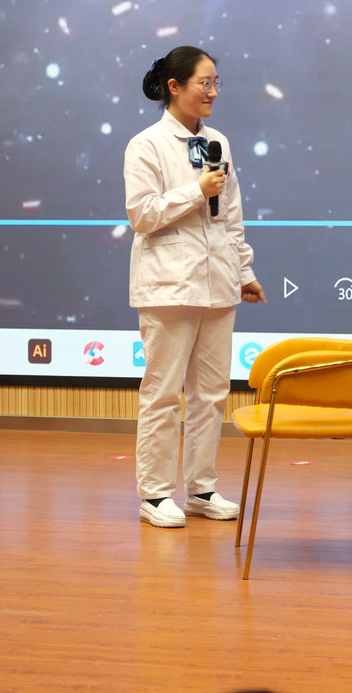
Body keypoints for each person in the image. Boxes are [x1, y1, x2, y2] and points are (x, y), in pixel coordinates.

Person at [125, 46, 267, 529]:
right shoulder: (146, 145)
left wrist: (244, 272)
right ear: (174, 87)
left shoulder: (218, 143)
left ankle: (202, 489)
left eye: (215, 83)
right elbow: (141, 214)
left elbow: (231, 216)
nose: (212, 92)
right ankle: (155, 493)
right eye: (204, 83)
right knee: (163, 392)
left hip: (218, 283)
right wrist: (195, 191)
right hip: (169, 286)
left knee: (211, 394)